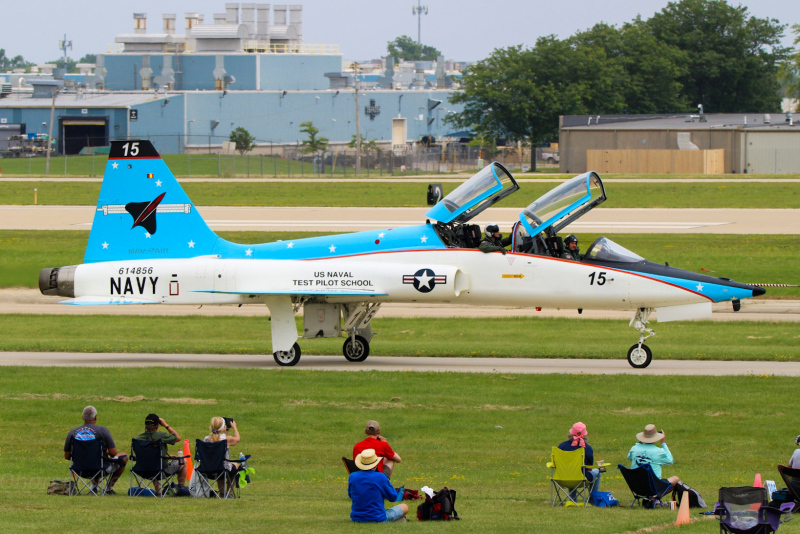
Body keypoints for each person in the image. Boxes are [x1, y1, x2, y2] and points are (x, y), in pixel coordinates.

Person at [63, 405, 128, 495]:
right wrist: (106, 452)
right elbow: (114, 453)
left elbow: (66, 456)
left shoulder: (72, 432)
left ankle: (94, 488)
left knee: (95, 457)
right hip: (100, 469)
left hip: (79, 470)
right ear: (95, 417)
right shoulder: (102, 430)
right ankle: (108, 488)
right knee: (123, 456)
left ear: (83, 417)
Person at [133, 413, 189, 496]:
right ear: (157, 426)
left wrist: (166, 457)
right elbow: (177, 438)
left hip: (142, 471)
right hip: (160, 471)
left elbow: (147, 455)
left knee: (152, 462)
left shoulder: (137, 439)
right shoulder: (161, 436)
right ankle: (180, 489)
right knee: (183, 461)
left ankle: (158, 492)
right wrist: (166, 425)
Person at [348, 448, 409, 523]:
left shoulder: (352, 476)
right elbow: (393, 497)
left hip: (356, 517)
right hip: (377, 517)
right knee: (404, 507)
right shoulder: (380, 477)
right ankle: (399, 520)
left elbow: (351, 495)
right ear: (375, 463)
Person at [557, 422, 601, 492]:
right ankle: (593, 497)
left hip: (562, 478)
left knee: (571, 471)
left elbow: (556, 463)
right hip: (581, 479)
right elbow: (589, 468)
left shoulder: (562, 446)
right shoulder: (587, 448)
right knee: (597, 472)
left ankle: (573, 499)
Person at [204, 416, 241, 495]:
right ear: (224, 428)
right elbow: (237, 439)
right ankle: (229, 493)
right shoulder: (226, 439)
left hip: (207, 469)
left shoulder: (206, 439)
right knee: (234, 465)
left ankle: (222, 492)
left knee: (218, 465)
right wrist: (235, 428)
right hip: (222, 469)